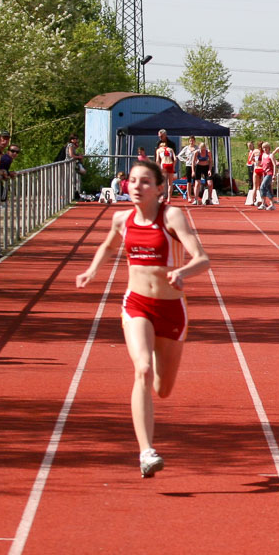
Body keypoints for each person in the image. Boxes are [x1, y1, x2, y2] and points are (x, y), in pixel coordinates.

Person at [75, 160, 210, 476]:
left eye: (145, 181)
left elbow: (202, 259)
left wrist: (182, 272)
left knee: (163, 388)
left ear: (160, 188)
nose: (136, 186)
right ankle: (146, 451)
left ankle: (154, 361)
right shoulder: (121, 219)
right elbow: (108, 248)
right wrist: (91, 271)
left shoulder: (172, 216)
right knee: (143, 369)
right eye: (132, 181)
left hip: (172, 309)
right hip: (136, 304)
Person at [177, 136, 198, 204]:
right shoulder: (186, 148)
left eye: (192, 141)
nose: (191, 142)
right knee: (189, 181)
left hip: (195, 165)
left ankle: (195, 196)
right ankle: (189, 196)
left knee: (196, 181)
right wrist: (185, 160)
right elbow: (179, 155)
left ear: (194, 141)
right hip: (188, 165)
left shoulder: (197, 148)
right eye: (190, 141)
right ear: (189, 141)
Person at [258, 142, 276, 210]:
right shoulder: (263, 155)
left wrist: (274, 174)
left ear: (269, 148)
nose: (265, 149)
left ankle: (263, 203)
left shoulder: (271, 155)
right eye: (263, 148)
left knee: (262, 187)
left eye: (266, 147)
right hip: (264, 173)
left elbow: (274, 165)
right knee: (268, 189)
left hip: (269, 174)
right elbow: (262, 164)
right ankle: (272, 204)